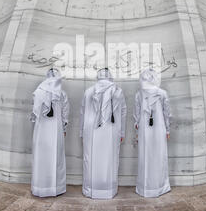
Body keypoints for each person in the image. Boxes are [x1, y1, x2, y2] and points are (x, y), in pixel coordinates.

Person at [80, 68, 127, 199]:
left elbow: (82, 112)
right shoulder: (117, 91)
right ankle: (108, 189)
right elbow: (123, 112)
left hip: (90, 129)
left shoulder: (88, 91)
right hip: (111, 129)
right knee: (109, 157)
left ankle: (90, 188)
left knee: (90, 158)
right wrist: (122, 132)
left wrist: (81, 132)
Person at [30, 68, 69, 197]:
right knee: (55, 156)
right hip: (56, 129)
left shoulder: (38, 91)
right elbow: (65, 113)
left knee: (42, 156)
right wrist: (64, 128)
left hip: (41, 129)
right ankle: (55, 188)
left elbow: (34, 112)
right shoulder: (61, 93)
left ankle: (40, 187)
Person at [134, 68, 171, 197]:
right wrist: (167, 129)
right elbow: (167, 114)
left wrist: (137, 131)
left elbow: (136, 116)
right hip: (159, 128)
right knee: (159, 156)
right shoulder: (162, 93)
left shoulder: (139, 94)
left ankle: (145, 187)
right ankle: (160, 186)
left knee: (145, 155)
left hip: (144, 129)